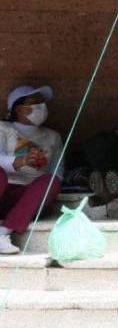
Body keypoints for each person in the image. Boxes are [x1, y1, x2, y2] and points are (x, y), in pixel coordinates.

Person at [0, 86, 63, 255]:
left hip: (27, 199)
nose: (40, 106)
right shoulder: (3, 128)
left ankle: (3, 233)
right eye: (34, 102)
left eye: (41, 102)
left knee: (52, 180)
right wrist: (22, 161)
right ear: (18, 108)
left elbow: (59, 171)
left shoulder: (53, 136)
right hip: (3, 190)